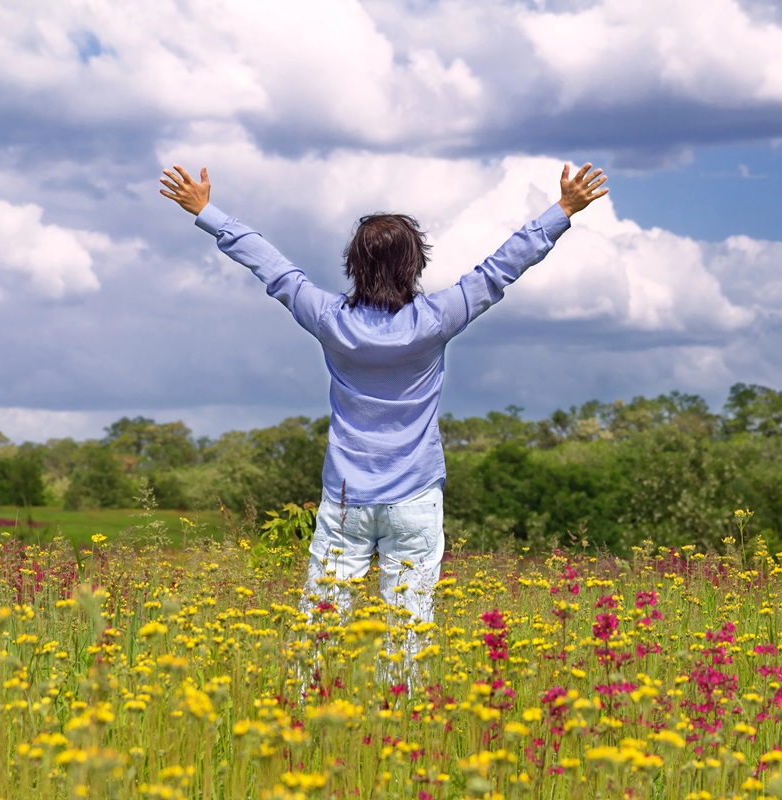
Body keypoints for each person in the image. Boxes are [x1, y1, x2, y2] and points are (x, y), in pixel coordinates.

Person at [159, 161, 608, 662]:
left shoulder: (330, 320)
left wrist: (207, 212)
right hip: (415, 498)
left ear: (354, 265)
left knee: (322, 621)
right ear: (415, 265)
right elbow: (499, 269)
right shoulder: (436, 320)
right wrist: (563, 209)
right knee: (409, 628)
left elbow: (273, 268)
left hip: (345, 499)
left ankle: (307, 702)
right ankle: (401, 707)